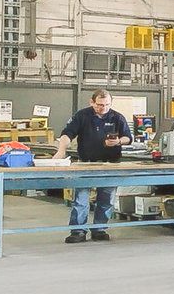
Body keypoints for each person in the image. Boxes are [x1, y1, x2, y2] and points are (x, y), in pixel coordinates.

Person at [55, 88, 132, 243]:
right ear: (92, 102)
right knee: (81, 199)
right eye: (100, 105)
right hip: (86, 164)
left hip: (110, 164)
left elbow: (128, 138)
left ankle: (99, 229)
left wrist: (118, 141)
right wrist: (61, 150)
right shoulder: (82, 116)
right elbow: (67, 133)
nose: (103, 108)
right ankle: (78, 231)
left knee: (106, 199)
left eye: (107, 105)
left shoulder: (117, 117)